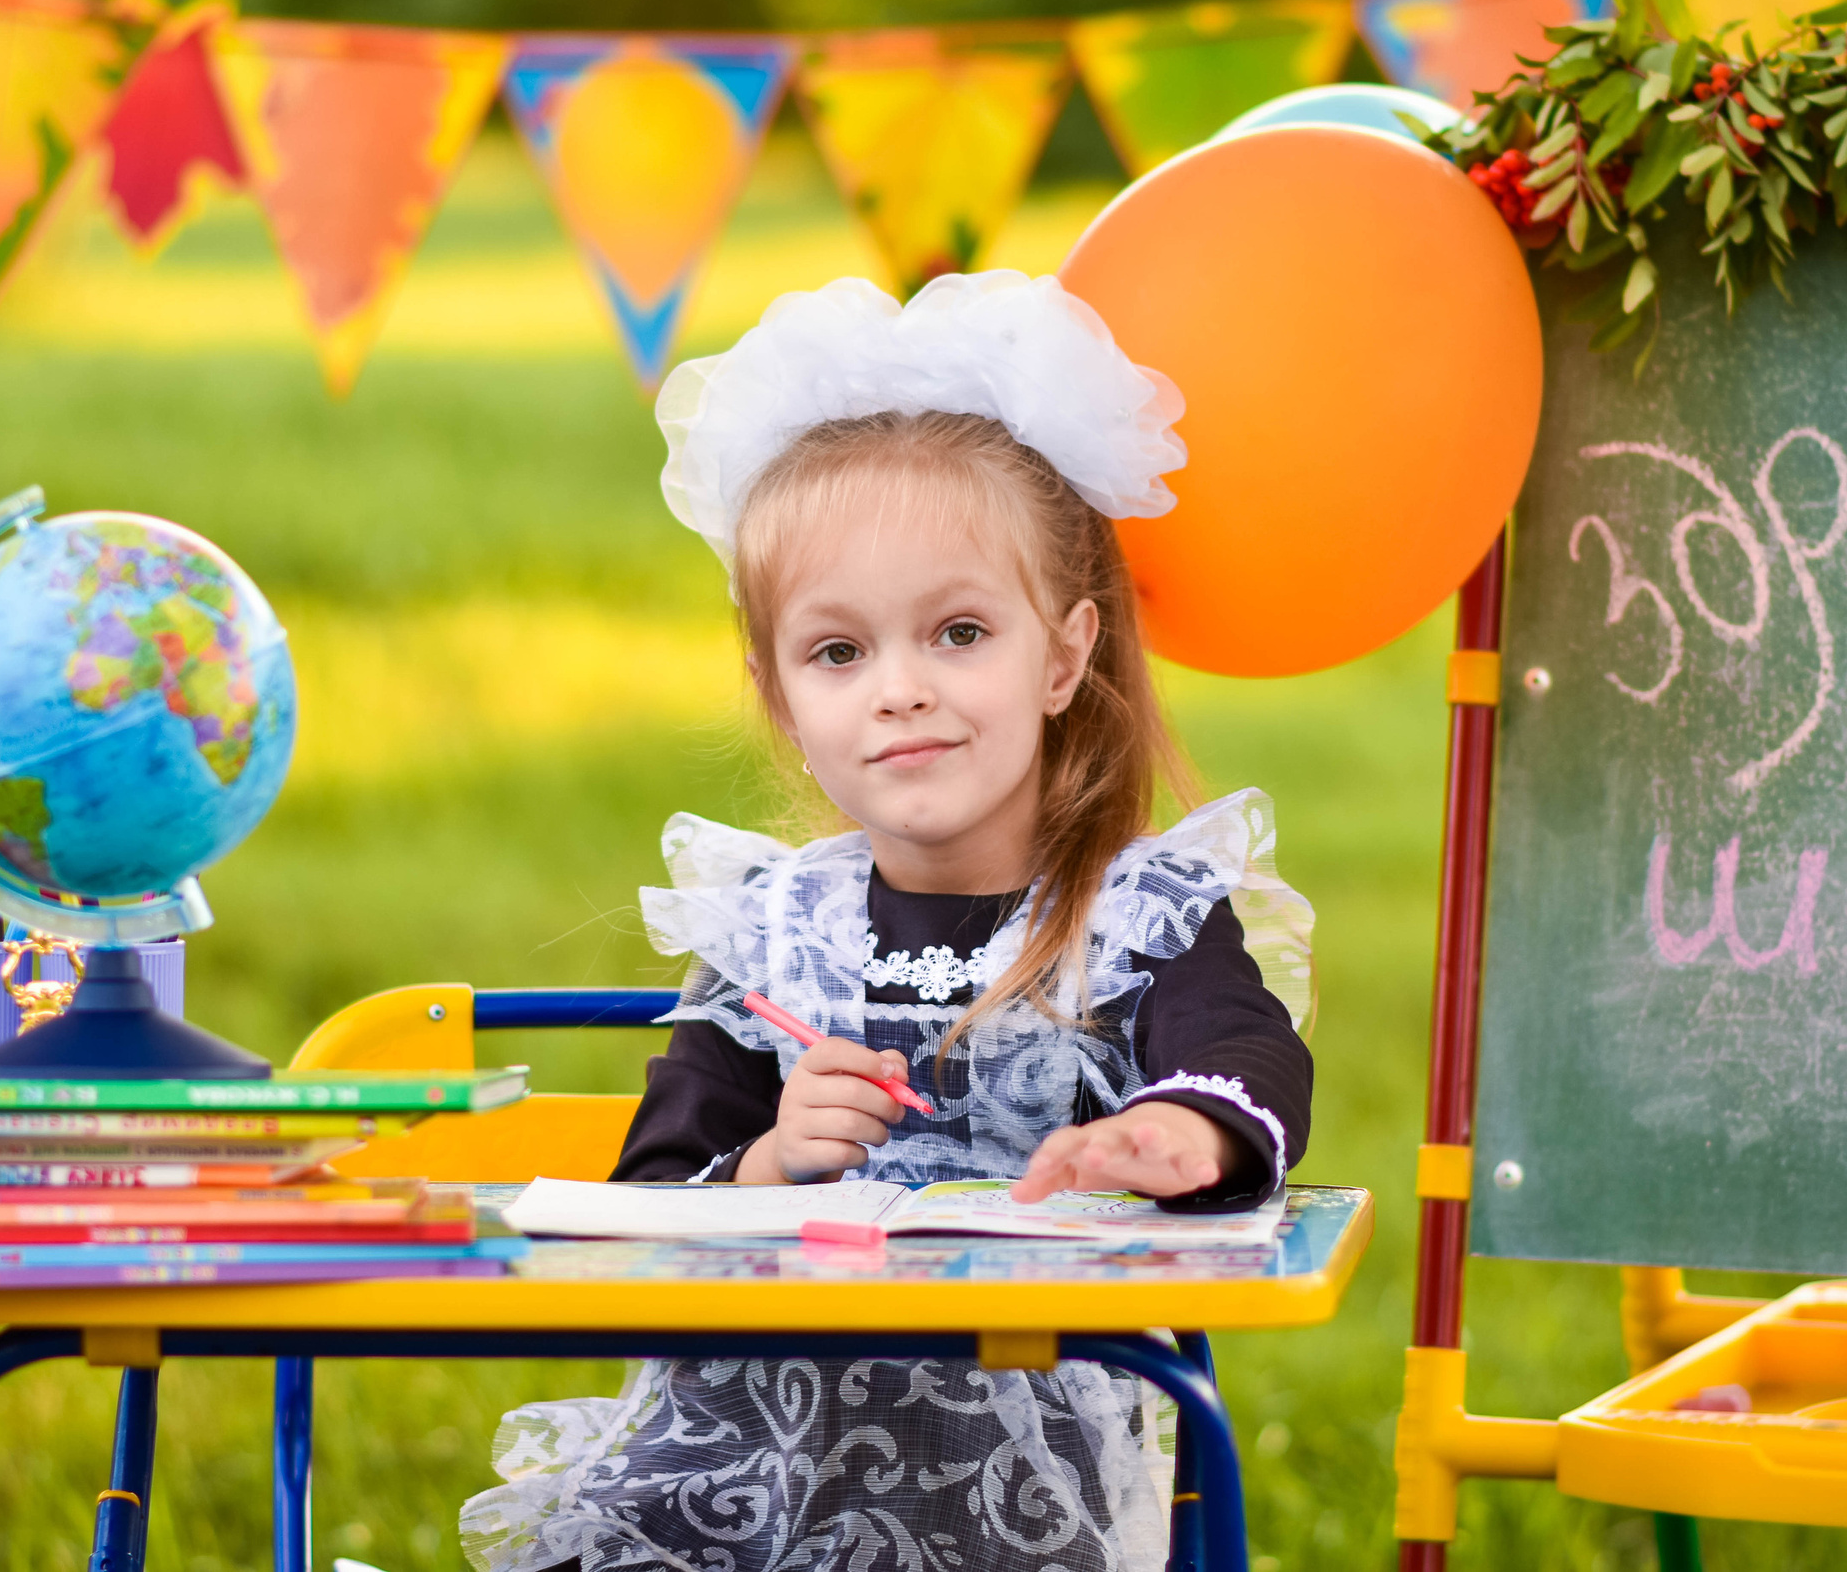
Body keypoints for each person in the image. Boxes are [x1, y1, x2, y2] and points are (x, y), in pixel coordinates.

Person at [459, 271, 1316, 1572]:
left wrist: (1176, 1131)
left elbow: (1253, 1067)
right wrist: (767, 1162)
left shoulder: (1143, 913)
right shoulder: (772, 929)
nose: (900, 692)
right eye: (839, 653)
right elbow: (648, 1201)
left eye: (958, 632)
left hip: (1011, 1489)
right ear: (780, 691)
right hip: (733, 1468)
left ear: (1063, 654)